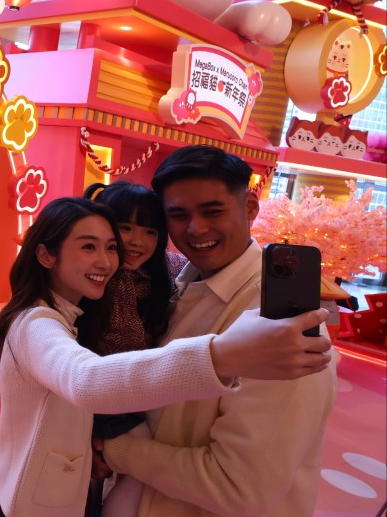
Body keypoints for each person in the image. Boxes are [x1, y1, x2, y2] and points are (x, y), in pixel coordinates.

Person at [0, 196, 332, 517]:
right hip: (25, 504)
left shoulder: (81, 315)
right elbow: (84, 379)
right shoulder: (36, 323)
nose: (105, 261)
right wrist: (221, 355)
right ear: (46, 254)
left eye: (110, 247)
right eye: (88, 247)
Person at [97, 146, 338, 516]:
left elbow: (239, 486)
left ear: (250, 207)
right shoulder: (175, 286)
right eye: (178, 216)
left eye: (213, 211)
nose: (196, 229)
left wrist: (117, 450)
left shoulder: (282, 322)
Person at [80, 181, 179, 516]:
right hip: (104, 398)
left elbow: (180, 266)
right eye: (125, 228)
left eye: (150, 231)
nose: (138, 241)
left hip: (119, 397)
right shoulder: (111, 277)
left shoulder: (151, 277)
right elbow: (128, 345)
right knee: (139, 470)